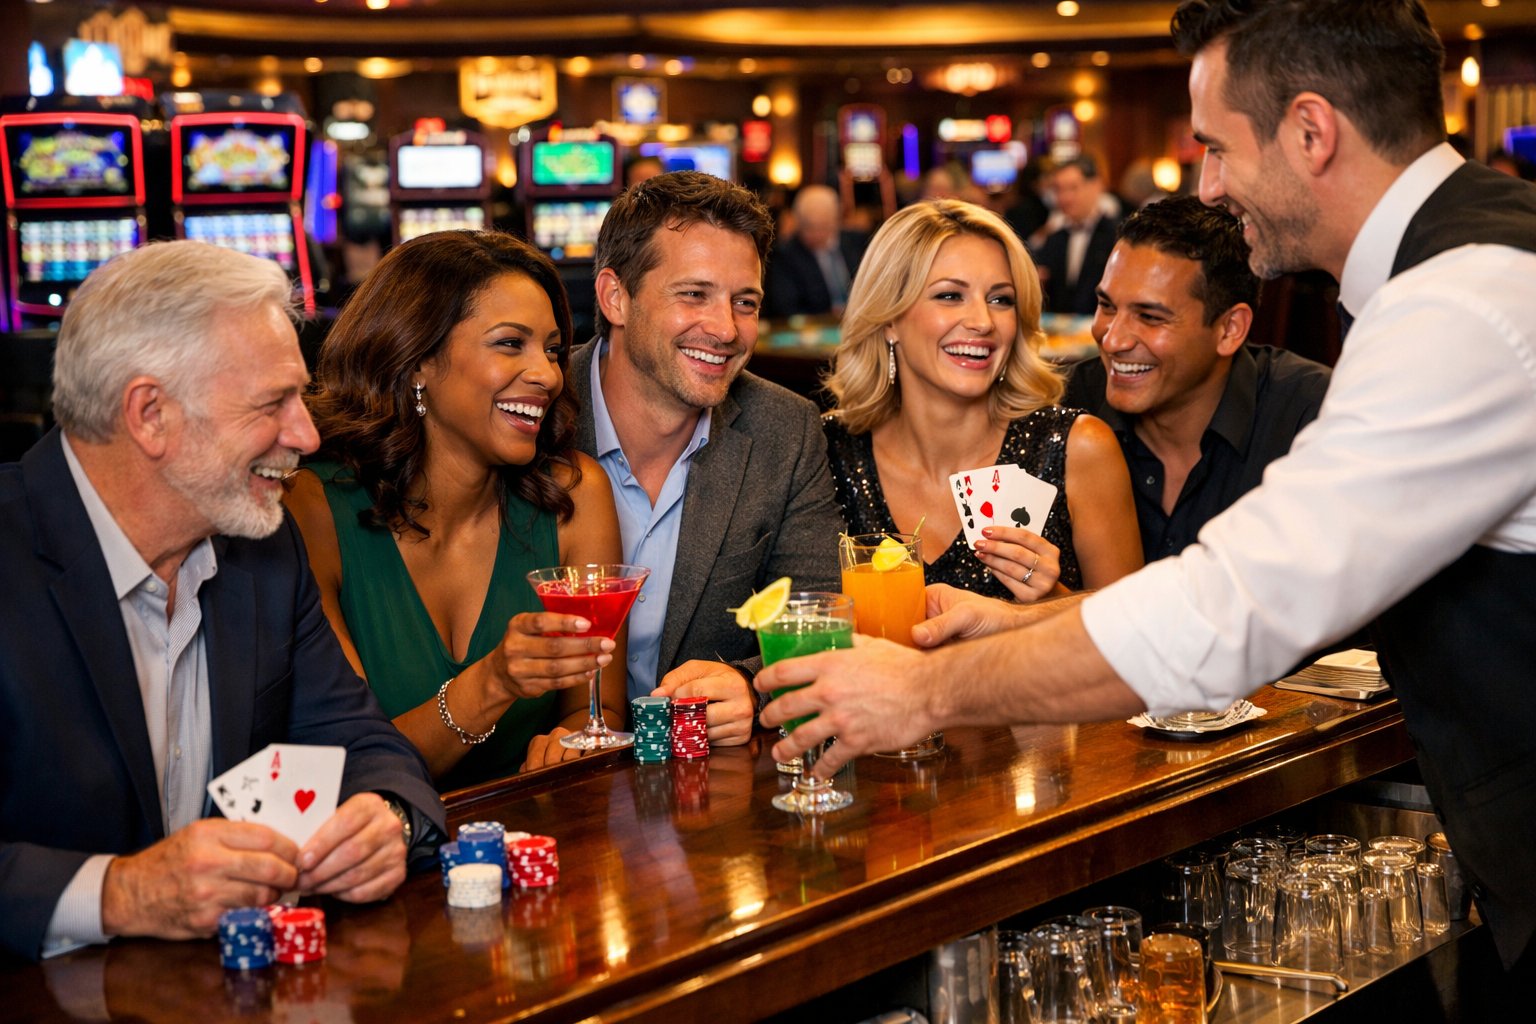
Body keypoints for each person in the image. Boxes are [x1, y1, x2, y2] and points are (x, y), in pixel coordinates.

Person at [758, 0, 1536, 980]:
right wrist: (1007, 629)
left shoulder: (1460, 303)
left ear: (1310, 131)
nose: (1206, 183)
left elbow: (1233, 609)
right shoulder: (1466, 269)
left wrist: (925, 690)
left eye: (1215, 145)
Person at [0, 241, 444, 962]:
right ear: (150, 414)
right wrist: (119, 893)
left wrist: (385, 818)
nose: (307, 434)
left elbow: (363, 743)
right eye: (274, 403)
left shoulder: (263, 547)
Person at [284, 232, 624, 790]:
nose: (547, 373)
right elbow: (345, 774)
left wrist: (568, 744)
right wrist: (491, 683)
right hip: (382, 856)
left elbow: (594, 712)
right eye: (511, 343)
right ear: (417, 358)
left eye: (554, 349)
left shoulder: (576, 495)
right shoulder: (311, 509)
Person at [572, 170, 843, 744]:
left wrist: (749, 686)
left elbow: (822, 621)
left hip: (700, 793)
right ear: (615, 297)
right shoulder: (536, 414)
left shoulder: (785, 429)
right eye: (693, 294)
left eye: (744, 302)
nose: (724, 329)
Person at [823, 199, 1143, 601]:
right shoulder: (825, 451)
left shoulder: (1079, 448)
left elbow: (1136, 645)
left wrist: (1049, 600)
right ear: (889, 319)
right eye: (950, 296)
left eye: (1000, 300)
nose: (983, 321)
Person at [1063, 195, 1332, 563]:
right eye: (1107, 306)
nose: (1112, 340)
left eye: (1150, 317)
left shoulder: (1311, 416)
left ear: (1229, 330)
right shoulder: (1070, 404)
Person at [762, 184, 870, 319]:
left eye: (823, 226)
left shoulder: (858, 242)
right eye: (808, 227)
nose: (816, 234)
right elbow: (786, 308)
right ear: (798, 222)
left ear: (836, 220)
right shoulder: (785, 255)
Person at [1033, 156, 1120, 315]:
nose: (1065, 197)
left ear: (1096, 186)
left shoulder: (1116, 236)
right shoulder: (1055, 238)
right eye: (1059, 190)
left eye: (1073, 188)